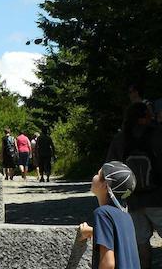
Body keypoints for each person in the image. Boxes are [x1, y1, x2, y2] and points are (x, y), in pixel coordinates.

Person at [107, 102, 162, 268]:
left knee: (141, 243)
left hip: (133, 201)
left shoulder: (120, 139)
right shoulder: (158, 134)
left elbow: (110, 169)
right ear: (144, 117)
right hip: (158, 198)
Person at [78, 160, 140, 269]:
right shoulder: (126, 216)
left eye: (98, 174)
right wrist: (93, 231)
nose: (94, 176)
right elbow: (119, 241)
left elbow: (108, 264)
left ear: (105, 186)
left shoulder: (103, 214)